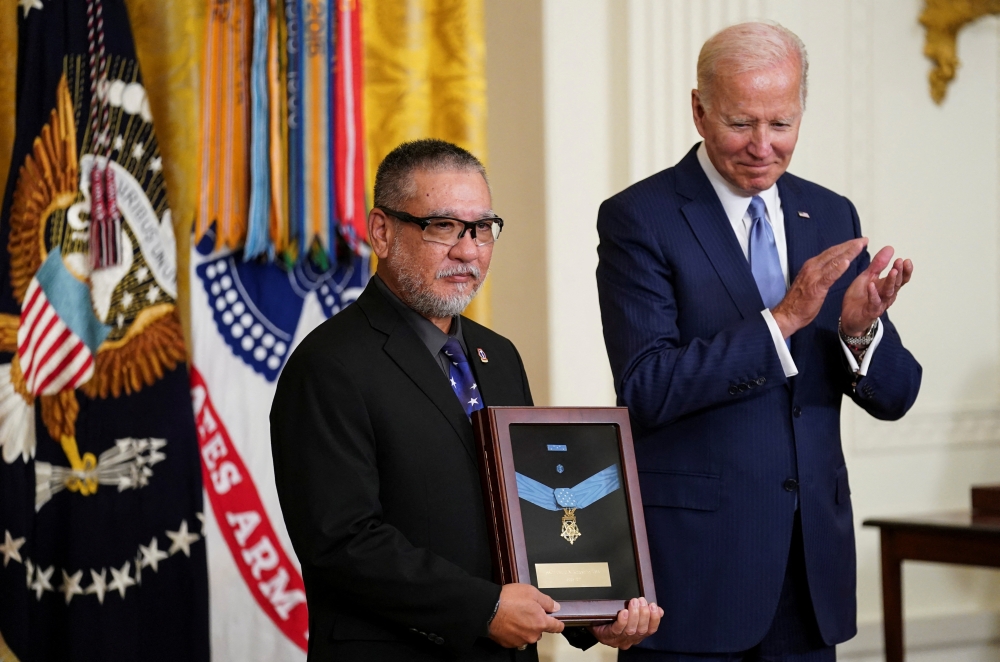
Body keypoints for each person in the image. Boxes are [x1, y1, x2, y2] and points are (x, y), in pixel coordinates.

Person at [596, 22, 922, 662]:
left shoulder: (831, 214)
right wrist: (784, 320)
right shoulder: (641, 217)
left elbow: (897, 396)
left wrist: (859, 331)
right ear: (699, 110)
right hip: (698, 576)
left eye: (782, 124)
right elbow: (647, 387)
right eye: (741, 123)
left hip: (811, 575)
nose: (762, 146)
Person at [271, 139, 662, 661]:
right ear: (381, 232)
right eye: (443, 226)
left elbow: (529, 513)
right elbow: (341, 542)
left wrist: (593, 613)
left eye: (481, 228)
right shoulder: (328, 364)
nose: (468, 250)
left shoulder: (498, 356)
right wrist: (483, 608)